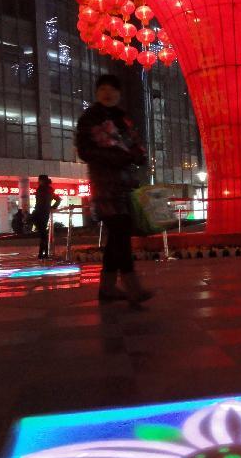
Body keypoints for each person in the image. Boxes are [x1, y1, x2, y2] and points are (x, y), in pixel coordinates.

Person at [76, 74, 152, 305]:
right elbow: (85, 151)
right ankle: (133, 288)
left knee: (118, 236)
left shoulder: (123, 119)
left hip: (126, 185)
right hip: (104, 185)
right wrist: (117, 157)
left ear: (119, 94)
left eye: (112, 89)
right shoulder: (90, 118)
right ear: (97, 93)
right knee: (120, 234)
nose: (108, 93)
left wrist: (137, 156)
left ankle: (107, 289)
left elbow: (138, 147)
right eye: (103, 89)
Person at [31, 175, 61, 259]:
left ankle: (43, 253)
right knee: (43, 233)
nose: (39, 181)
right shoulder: (47, 190)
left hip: (40, 213)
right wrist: (52, 207)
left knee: (43, 234)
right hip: (42, 213)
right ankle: (43, 253)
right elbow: (58, 199)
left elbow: (57, 199)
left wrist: (52, 207)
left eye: (40, 180)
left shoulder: (44, 190)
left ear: (43, 180)